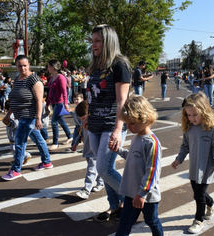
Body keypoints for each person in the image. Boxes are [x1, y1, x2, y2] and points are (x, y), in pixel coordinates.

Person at [87, 24, 131, 222]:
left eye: (97, 41)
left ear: (108, 42)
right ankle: (116, 207)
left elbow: (122, 101)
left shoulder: (119, 65)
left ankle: (131, 201)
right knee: (102, 170)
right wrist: (88, 115)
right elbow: (93, 96)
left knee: (105, 169)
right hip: (94, 124)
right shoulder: (96, 65)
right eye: (93, 40)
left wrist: (118, 130)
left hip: (111, 125)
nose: (93, 45)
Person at [171, 92, 214, 234]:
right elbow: (185, 146)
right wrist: (179, 159)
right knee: (198, 193)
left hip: (207, 168)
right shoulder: (189, 129)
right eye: (188, 115)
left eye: (195, 114)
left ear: (204, 111)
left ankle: (198, 220)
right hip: (194, 167)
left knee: (199, 195)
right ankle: (212, 204)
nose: (191, 118)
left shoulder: (212, 129)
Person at [109, 95, 163, 236]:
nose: (129, 127)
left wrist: (142, 193)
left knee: (152, 221)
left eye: (132, 123)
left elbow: (152, 171)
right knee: (125, 223)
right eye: (127, 123)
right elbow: (132, 157)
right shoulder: (137, 137)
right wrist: (119, 150)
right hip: (131, 191)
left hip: (146, 195)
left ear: (144, 118)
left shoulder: (151, 143)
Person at [1, 55, 52, 181]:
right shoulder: (17, 79)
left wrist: (38, 118)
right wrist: (8, 115)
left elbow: (39, 101)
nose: (22, 68)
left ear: (29, 65)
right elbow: (14, 99)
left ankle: (16, 169)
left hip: (29, 116)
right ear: (16, 66)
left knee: (19, 141)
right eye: (19, 65)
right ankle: (47, 162)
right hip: (20, 115)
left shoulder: (34, 79)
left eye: (25, 65)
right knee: (38, 139)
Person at [74, 101, 104, 199]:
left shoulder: (94, 124)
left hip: (94, 151)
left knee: (91, 170)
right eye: (80, 119)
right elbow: (81, 134)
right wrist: (75, 143)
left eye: (83, 118)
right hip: (87, 150)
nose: (82, 121)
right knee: (97, 168)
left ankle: (86, 190)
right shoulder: (84, 124)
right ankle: (101, 182)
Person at [46, 60, 73, 150]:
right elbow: (50, 92)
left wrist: (66, 103)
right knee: (61, 121)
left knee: (54, 122)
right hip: (53, 103)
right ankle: (70, 136)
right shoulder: (52, 77)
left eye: (48, 66)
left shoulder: (61, 77)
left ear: (53, 67)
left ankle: (55, 143)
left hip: (59, 103)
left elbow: (64, 92)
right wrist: (47, 104)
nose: (47, 68)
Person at [4, 100, 32, 165]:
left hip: (14, 135)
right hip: (12, 135)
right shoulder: (12, 114)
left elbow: (15, 124)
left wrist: (8, 123)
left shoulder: (11, 115)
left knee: (15, 149)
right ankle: (17, 159)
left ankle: (26, 155)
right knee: (14, 149)